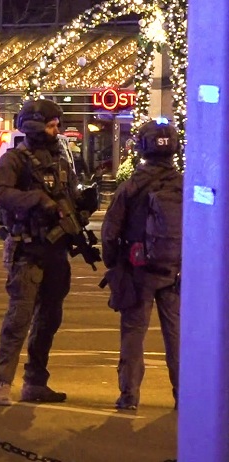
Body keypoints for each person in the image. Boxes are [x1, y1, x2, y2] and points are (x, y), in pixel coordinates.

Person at [0, 100, 96, 406]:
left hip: (56, 252)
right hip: (28, 250)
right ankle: (3, 383)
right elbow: (1, 193)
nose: (57, 130)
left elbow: (68, 193)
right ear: (36, 126)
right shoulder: (14, 160)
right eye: (52, 125)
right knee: (19, 317)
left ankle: (36, 381)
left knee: (50, 319)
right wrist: (35, 200)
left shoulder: (60, 160)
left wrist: (83, 205)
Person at [101, 120, 182, 411]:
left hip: (138, 271)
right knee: (176, 336)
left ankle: (130, 395)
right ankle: (182, 394)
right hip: (175, 271)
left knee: (134, 334)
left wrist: (113, 263)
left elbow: (110, 232)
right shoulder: (184, 184)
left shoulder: (131, 186)